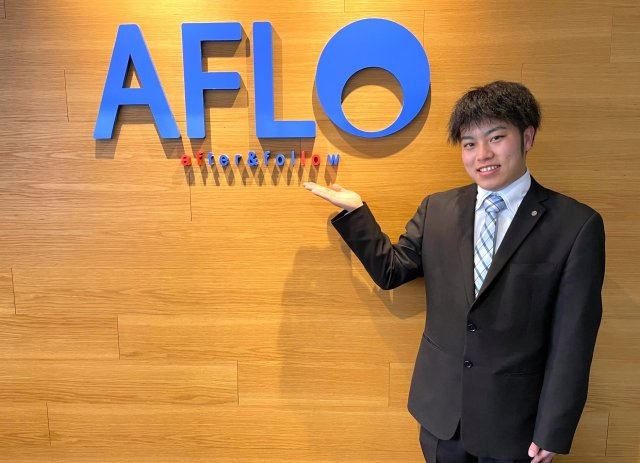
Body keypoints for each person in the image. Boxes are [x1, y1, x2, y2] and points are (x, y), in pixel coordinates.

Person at [303, 81, 605, 463]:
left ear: (527, 137)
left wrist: (554, 427)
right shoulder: (438, 210)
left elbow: (573, 340)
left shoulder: (575, 225)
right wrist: (355, 212)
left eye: (496, 138)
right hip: (442, 416)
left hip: (517, 424)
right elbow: (392, 271)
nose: (483, 155)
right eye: (469, 143)